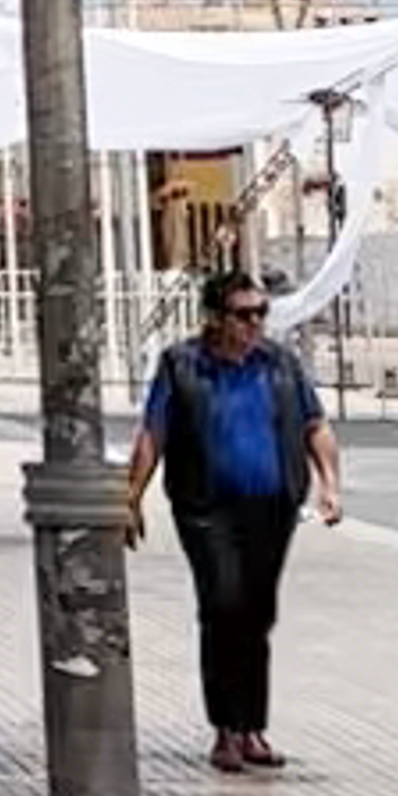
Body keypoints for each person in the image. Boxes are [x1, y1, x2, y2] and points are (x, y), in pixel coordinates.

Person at [125, 267, 342, 768]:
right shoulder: (183, 366)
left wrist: (330, 485)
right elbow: (152, 433)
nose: (255, 324)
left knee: (256, 615)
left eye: (261, 313)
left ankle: (252, 730)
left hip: (272, 508)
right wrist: (131, 497)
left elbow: (315, 426)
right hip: (206, 510)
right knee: (223, 607)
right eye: (244, 314)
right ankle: (225, 729)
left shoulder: (280, 365)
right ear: (215, 317)